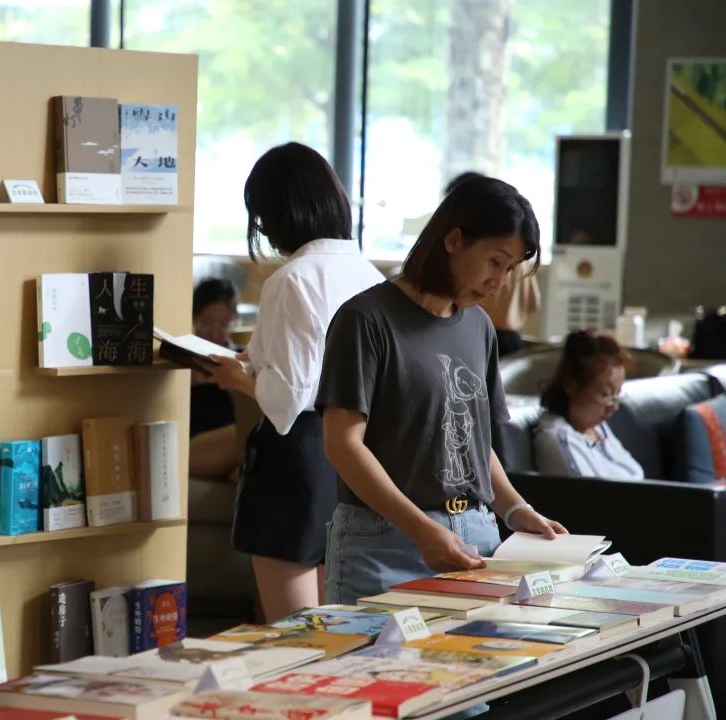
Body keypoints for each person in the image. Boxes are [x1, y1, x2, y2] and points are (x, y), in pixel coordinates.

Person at [317, 175, 568, 606]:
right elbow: (342, 445)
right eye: (495, 261)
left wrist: (515, 510)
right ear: (453, 240)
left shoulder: (479, 327)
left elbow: (475, 444)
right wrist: (421, 529)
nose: (500, 281)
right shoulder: (365, 319)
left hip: (476, 535)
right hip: (383, 542)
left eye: (510, 269)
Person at [206, 141, 385, 621]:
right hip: (357, 455)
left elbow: (288, 399)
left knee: (295, 632)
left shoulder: (293, 278)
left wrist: (237, 378)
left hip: (298, 462)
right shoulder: (369, 274)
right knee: (339, 625)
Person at [447, 172, 541, 356]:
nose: (498, 282)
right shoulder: (520, 260)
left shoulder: (508, 253)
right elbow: (533, 302)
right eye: (495, 262)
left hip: (486, 339)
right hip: (512, 339)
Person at [533, 330, 644, 479]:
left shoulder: (597, 428)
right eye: (605, 394)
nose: (614, 406)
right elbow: (589, 492)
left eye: (617, 394)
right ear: (571, 385)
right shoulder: (558, 439)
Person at [189, 278, 240, 479]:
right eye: (206, 323)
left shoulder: (241, 357)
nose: (215, 333)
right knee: (250, 433)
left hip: (229, 442)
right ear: (194, 318)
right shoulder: (181, 357)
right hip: (196, 443)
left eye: (223, 324)